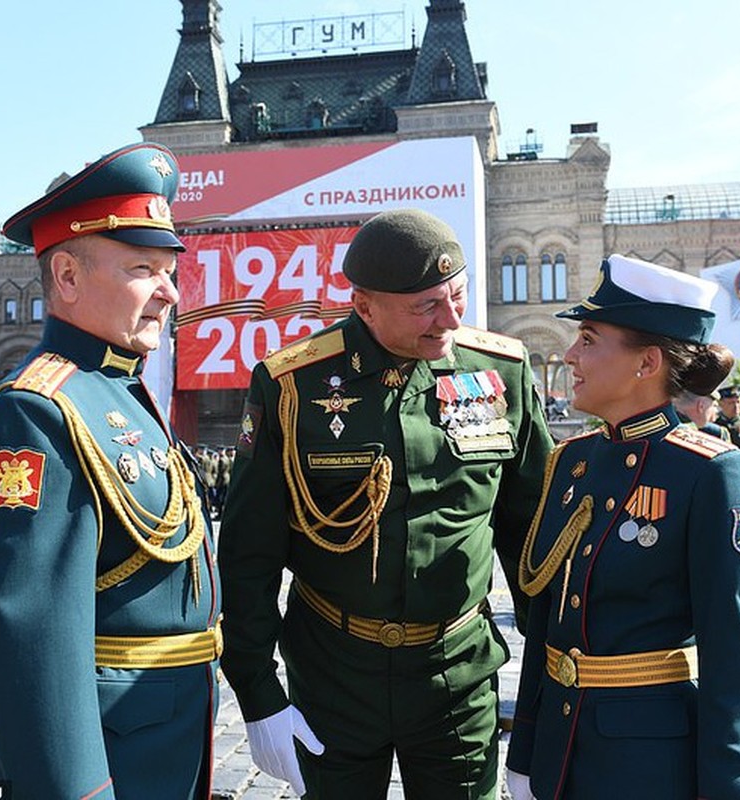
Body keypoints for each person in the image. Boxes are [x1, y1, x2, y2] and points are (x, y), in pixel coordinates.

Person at [219, 208, 554, 799]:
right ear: (365, 305)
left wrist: (549, 686)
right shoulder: (292, 385)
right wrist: (256, 690)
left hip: (457, 669)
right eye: (426, 305)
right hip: (333, 671)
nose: (450, 318)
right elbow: (250, 548)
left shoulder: (500, 370)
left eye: (458, 293)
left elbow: (534, 536)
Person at [0, 142, 220, 800]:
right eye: (142, 269)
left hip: (167, 740)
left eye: (169, 270)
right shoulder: (37, 413)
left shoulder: (119, 391)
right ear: (67, 277)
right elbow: (30, 642)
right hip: (108, 761)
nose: (169, 292)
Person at [506, 254, 740, 799]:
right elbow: (546, 622)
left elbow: (737, 663)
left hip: (648, 766)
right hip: (562, 752)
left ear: (646, 362)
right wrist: (527, 752)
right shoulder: (572, 462)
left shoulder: (710, 473)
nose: (569, 355)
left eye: (588, 338)